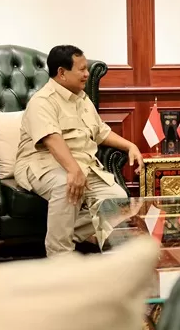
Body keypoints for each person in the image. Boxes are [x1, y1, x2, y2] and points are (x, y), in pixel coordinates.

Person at [14, 45, 143, 257]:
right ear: (62, 73)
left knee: (117, 198)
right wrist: (73, 171)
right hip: (40, 164)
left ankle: (68, 236)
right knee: (67, 185)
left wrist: (130, 145)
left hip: (81, 165)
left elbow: (101, 132)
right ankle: (59, 256)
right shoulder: (42, 101)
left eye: (87, 68)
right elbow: (52, 139)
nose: (87, 74)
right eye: (82, 69)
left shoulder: (82, 98)